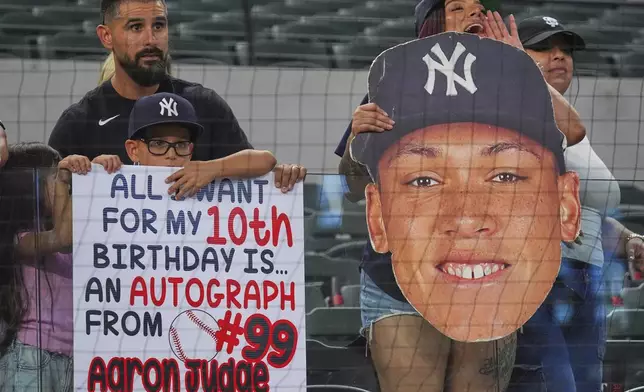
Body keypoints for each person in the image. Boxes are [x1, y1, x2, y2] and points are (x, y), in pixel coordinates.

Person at [506, 15, 644, 392]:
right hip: (532, 281)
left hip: (585, 278)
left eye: (565, 50)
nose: (559, 56)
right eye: (544, 48)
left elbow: (590, 204)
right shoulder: (501, 119)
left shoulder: (568, 126)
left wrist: (627, 236)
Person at [49, 0, 305, 193]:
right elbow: (44, 214)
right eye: (135, 27)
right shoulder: (79, 121)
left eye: (158, 26)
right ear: (106, 36)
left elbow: (260, 163)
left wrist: (212, 168)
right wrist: (82, 176)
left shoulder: (203, 103)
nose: (151, 39)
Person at [60, 92, 278, 201]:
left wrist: (213, 168)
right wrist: (93, 174)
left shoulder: (205, 180)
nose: (171, 154)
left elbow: (266, 160)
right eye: (158, 144)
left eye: (181, 144)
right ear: (133, 149)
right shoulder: (114, 178)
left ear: (191, 149)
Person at [0, 142, 74, 392]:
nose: (65, 185)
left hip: (77, 361)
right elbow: (62, 238)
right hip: (32, 361)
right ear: (29, 187)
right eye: (54, 176)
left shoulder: (80, 231)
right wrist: (66, 178)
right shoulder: (21, 239)